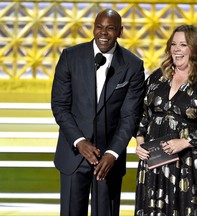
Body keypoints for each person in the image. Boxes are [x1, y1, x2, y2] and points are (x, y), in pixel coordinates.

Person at [51, 8, 145, 216]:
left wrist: (112, 153)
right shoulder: (70, 57)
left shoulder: (133, 65)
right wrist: (79, 141)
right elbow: (60, 105)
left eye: (110, 28)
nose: (103, 33)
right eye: (99, 27)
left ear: (120, 32)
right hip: (74, 155)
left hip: (108, 160)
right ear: (93, 29)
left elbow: (130, 116)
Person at [134, 24, 197, 216]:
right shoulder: (156, 79)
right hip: (155, 163)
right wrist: (140, 143)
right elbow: (141, 113)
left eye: (183, 44)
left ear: (195, 49)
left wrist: (184, 142)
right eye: (173, 44)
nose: (176, 49)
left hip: (191, 166)